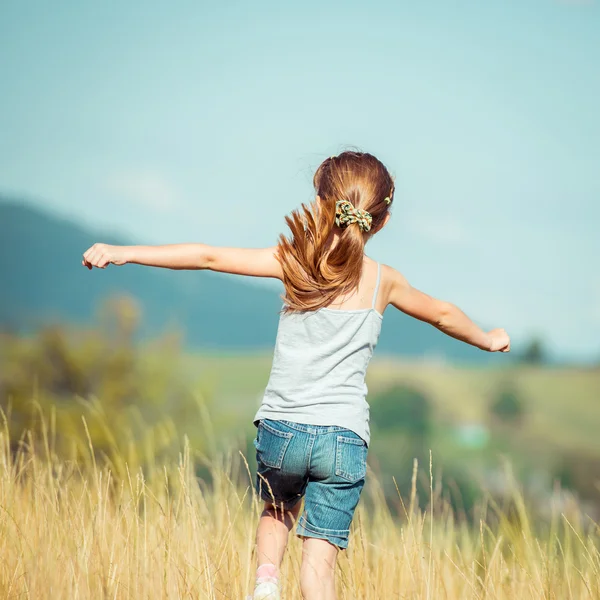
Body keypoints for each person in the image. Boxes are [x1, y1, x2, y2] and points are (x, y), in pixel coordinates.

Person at [82, 150, 510, 600]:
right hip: (344, 438)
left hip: (283, 428)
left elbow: (206, 257)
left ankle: (266, 584)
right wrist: (487, 338)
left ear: (322, 205)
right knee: (320, 565)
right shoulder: (385, 280)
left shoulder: (293, 259)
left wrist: (122, 252)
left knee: (278, 510)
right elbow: (442, 314)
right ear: (380, 222)